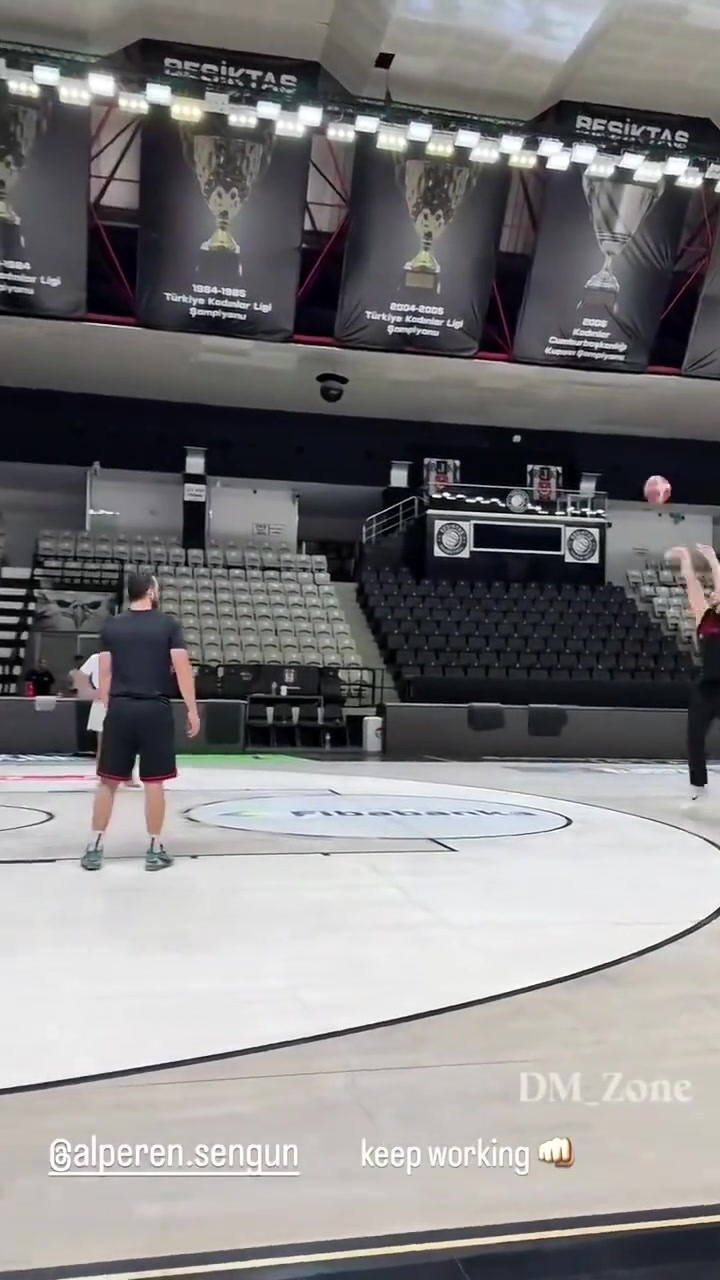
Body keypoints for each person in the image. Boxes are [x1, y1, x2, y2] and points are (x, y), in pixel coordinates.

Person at [82, 571, 200, 872]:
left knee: (108, 781)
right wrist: (192, 709)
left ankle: (94, 847)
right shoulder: (168, 625)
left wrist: (107, 706)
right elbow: (182, 669)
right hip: (154, 710)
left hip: (120, 708)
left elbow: (105, 672)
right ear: (150, 591)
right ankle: (155, 849)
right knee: (154, 783)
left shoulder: (112, 626)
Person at [668, 544, 720, 803]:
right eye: (712, 594)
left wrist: (712, 559)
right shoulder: (705, 618)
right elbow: (692, 585)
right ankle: (698, 786)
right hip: (707, 688)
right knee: (694, 737)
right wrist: (686, 559)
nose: (714, 594)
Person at [72, 650, 140, 786]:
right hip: (102, 702)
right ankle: (103, 776)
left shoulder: (129, 655)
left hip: (124, 701)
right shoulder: (96, 658)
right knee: (104, 743)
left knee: (128, 741)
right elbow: (79, 676)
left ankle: (128, 776)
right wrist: (90, 692)